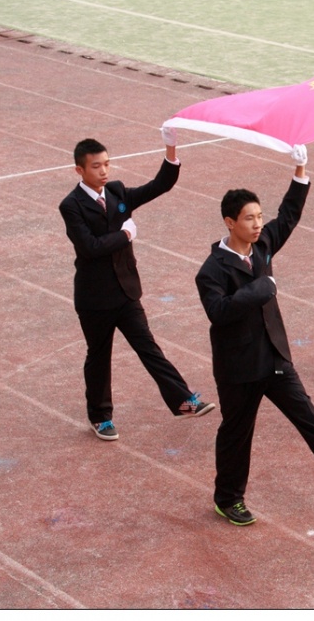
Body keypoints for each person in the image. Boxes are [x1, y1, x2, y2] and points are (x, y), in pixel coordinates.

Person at [195, 145, 314, 526]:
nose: (258, 224)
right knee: (236, 435)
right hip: (238, 368)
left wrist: (300, 169)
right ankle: (228, 499)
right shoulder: (211, 271)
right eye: (249, 218)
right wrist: (260, 289)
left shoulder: (263, 245)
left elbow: (290, 215)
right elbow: (219, 312)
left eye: (259, 216)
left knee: (310, 419)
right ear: (229, 222)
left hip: (276, 358)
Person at [59, 129, 213, 441]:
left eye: (106, 164)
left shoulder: (116, 192)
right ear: (79, 170)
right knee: (99, 357)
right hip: (94, 298)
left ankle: (183, 402)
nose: (103, 171)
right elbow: (90, 247)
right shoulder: (71, 205)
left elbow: (160, 185)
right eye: (96, 166)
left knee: (148, 347)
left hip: (126, 292)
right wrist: (126, 234)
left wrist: (171, 148)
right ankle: (100, 418)